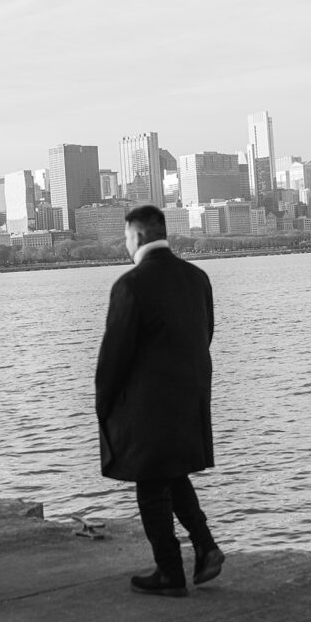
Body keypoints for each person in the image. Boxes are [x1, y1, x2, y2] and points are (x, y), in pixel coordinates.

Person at [95, 205, 224, 597]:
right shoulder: (197, 278)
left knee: (151, 485)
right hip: (191, 395)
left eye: (126, 237)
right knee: (170, 472)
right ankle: (205, 547)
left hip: (147, 404)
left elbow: (114, 356)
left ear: (136, 237)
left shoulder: (130, 285)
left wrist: (104, 405)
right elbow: (206, 333)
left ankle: (169, 571)